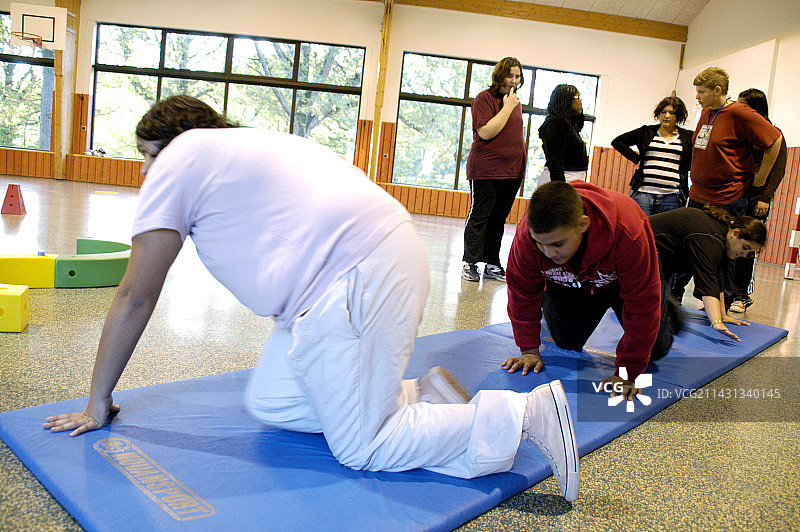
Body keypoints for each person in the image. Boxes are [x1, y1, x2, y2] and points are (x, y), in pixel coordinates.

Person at [43, 95, 580, 501]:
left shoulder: (180, 158)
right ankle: (419, 394)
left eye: (147, 156)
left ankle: (525, 414)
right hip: (361, 269)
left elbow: (136, 295)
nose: (145, 171)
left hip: (354, 275)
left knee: (366, 446)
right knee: (273, 401)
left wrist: (97, 401)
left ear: (172, 143)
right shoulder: (240, 148)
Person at [502, 181, 664, 400]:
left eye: (557, 244)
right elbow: (521, 294)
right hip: (570, 281)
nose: (549, 252)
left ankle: (667, 303)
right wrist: (528, 350)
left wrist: (628, 373)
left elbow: (643, 306)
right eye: (541, 244)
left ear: (583, 224)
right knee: (567, 341)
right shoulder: (527, 237)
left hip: (620, 281)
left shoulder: (628, 230)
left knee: (657, 349)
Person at [672, 67, 782, 303]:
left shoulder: (739, 112)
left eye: (701, 92)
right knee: (688, 244)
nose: (697, 97)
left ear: (717, 90)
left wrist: (761, 179)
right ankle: (675, 295)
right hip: (699, 193)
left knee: (724, 250)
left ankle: (723, 301)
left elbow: (775, 140)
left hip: (727, 196)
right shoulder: (707, 112)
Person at [650, 206, 767, 341]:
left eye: (749, 253)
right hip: (638, 250)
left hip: (653, 256)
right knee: (664, 326)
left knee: (666, 317)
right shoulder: (709, 238)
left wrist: (722, 315)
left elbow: (717, 278)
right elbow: (707, 282)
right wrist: (716, 322)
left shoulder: (720, 236)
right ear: (735, 233)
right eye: (745, 247)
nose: (743, 254)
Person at [462, 57, 526, 283]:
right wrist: (507, 108)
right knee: (480, 216)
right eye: (510, 75)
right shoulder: (484, 99)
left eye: (517, 76)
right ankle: (470, 262)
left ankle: (492, 263)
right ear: (500, 76)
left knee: (499, 219)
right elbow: (486, 132)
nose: (514, 81)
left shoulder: (515, 103)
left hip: (511, 171)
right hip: (487, 170)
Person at [729, 88, 788, 313]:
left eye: (743, 104)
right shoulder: (741, 131)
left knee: (747, 244)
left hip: (757, 197)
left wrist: (765, 197)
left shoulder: (773, 133)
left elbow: (779, 168)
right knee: (730, 241)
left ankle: (741, 295)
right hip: (736, 193)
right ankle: (724, 292)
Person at [611, 95, 693, 215]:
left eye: (672, 113)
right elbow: (617, 142)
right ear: (658, 114)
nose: (667, 116)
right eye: (663, 112)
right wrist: (637, 159)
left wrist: (688, 168)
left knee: (667, 227)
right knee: (640, 225)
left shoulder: (687, 137)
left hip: (672, 195)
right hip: (643, 193)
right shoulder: (646, 132)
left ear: (678, 116)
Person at [537, 84, 589, 186]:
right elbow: (555, 161)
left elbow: (579, 123)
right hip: (560, 181)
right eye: (577, 98)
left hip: (570, 179)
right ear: (567, 101)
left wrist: (578, 111)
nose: (580, 101)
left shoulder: (568, 125)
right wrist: (560, 188)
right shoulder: (555, 125)